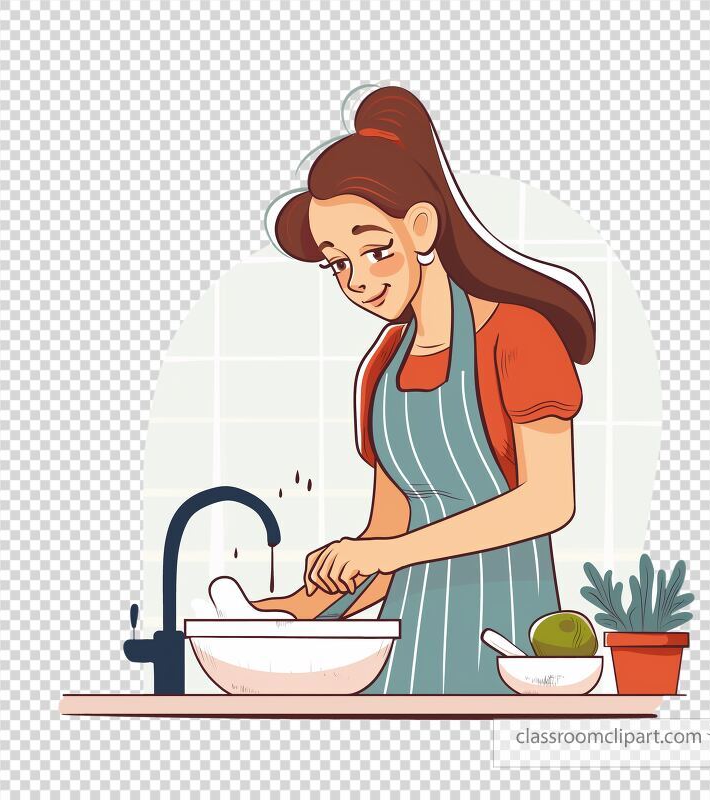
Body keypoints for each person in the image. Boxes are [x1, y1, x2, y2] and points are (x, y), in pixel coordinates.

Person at [254, 86, 595, 695]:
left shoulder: (519, 335)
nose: (358, 280)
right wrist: (296, 612)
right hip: (406, 638)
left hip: (505, 633)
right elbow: (387, 530)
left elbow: (549, 501)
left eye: (375, 250)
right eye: (337, 263)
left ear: (420, 226)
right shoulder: (383, 365)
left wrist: (387, 555)